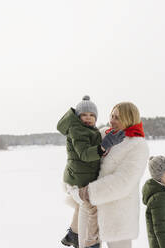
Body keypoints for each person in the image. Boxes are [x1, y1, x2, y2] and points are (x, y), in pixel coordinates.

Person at [71, 102, 149, 248]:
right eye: (111, 116)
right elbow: (81, 158)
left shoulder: (138, 145)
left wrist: (87, 192)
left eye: (117, 118)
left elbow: (123, 182)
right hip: (90, 210)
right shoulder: (103, 134)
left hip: (118, 214)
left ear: (129, 119)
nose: (112, 121)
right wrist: (72, 183)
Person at [57, 95, 125, 248]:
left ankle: (73, 234)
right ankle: (92, 243)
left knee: (81, 206)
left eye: (92, 115)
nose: (88, 118)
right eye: (84, 115)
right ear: (77, 117)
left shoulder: (89, 130)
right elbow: (85, 154)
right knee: (91, 207)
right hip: (78, 179)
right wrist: (103, 146)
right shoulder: (77, 131)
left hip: (81, 176)